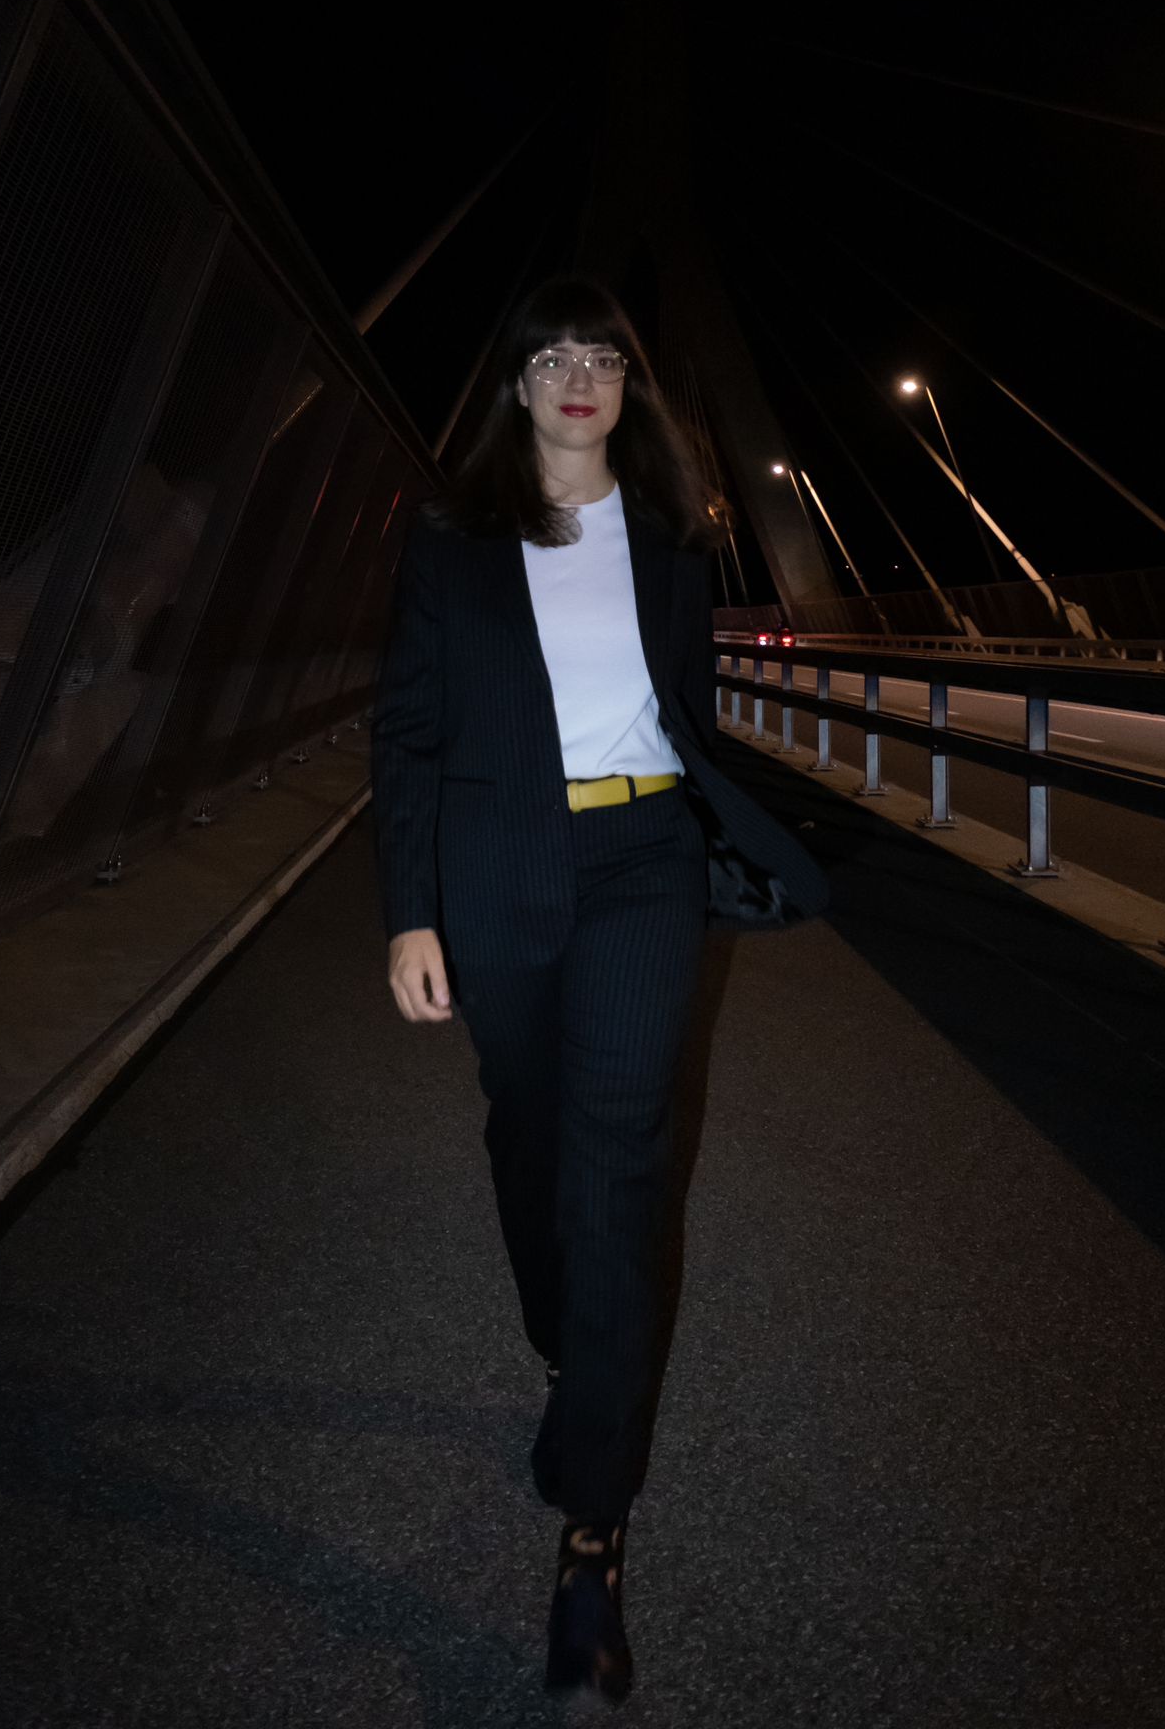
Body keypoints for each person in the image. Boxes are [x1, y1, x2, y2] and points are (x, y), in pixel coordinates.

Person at [370, 274, 827, 1706]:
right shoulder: (450, 541)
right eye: (551, 356)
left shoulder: (674, 540)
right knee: (529, 1131)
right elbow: (407, 733)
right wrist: (409, 916)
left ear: (628, 390)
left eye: (604, 360)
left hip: (640, 860)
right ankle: (575, 1338)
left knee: (618, 1166)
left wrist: (698, 841)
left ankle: (590, 1533)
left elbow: (681, 706)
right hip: (498, 865)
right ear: (514, 386)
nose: (579, 376)